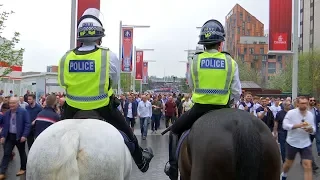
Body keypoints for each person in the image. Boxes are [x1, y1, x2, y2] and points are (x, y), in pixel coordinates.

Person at [57, 8, 153, 172]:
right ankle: (141, 161)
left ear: (80, 36)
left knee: (56, 137)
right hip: (102, 106)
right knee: (127, 133)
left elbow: (63, 82)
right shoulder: (108, 56)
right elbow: (114, 82)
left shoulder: (66, 57)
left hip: (72, 108)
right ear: (99, 36)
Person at [164, 19, 242, 179]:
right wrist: (229, 102)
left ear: (203, 44)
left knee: (174, 131)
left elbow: (192, 85)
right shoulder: (230, 62)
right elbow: (236, 92)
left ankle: (172, 167)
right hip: (224, 109)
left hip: (199, 109)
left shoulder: (194, 62)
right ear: (220, 43)